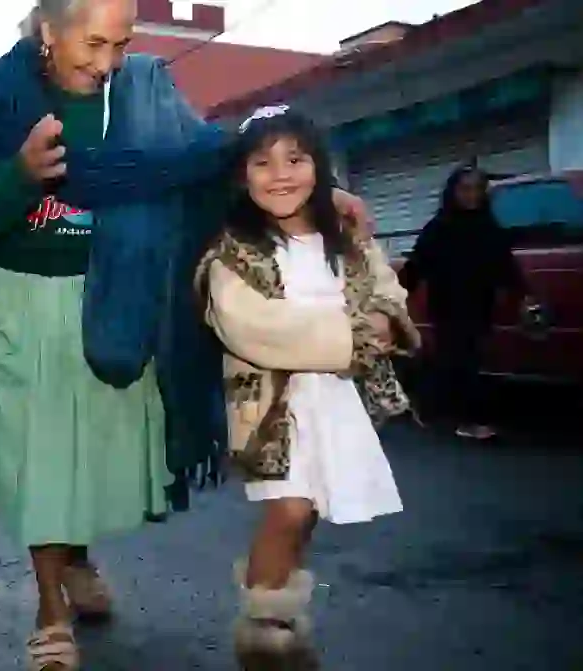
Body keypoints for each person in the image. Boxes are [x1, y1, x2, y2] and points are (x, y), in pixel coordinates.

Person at [0, 2, 374, 668]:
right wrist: (19, 173)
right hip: (21, 305)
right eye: (93, 43)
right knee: (44, 458)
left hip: (121, 301)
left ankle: (74, 556)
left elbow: (214, 161)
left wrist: (318, 197)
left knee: (87, 459)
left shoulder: (143, 89)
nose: (109, 63)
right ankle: (51, 612)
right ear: (49, 32)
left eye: (122, 43)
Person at [195, 107, 418, 668]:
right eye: (263, 162)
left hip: (337, 399)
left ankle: (283, 614)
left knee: (313, 508)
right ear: (242, 175)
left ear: (319, 167)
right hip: (272, 405)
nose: (281, 174)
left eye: (295, 158)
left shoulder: (344, 238)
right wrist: (356, 335)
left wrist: (390, 316)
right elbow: (253, 328)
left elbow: (385, 286)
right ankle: (265, 635)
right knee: (289, 509)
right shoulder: (234, 253)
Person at [398, 165, 529, 439]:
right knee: (461, 361)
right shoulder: (440, 227)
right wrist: (394, 298)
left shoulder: (487, 226)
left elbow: (505, 265)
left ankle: (428, 408)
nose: (471, 196)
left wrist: (523, 293)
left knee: (459, 362)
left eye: (477, 190)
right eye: (465, 189)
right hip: (447, 306)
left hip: (480, 304)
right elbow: (417, 265)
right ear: (453, 193)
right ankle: (467, 421)